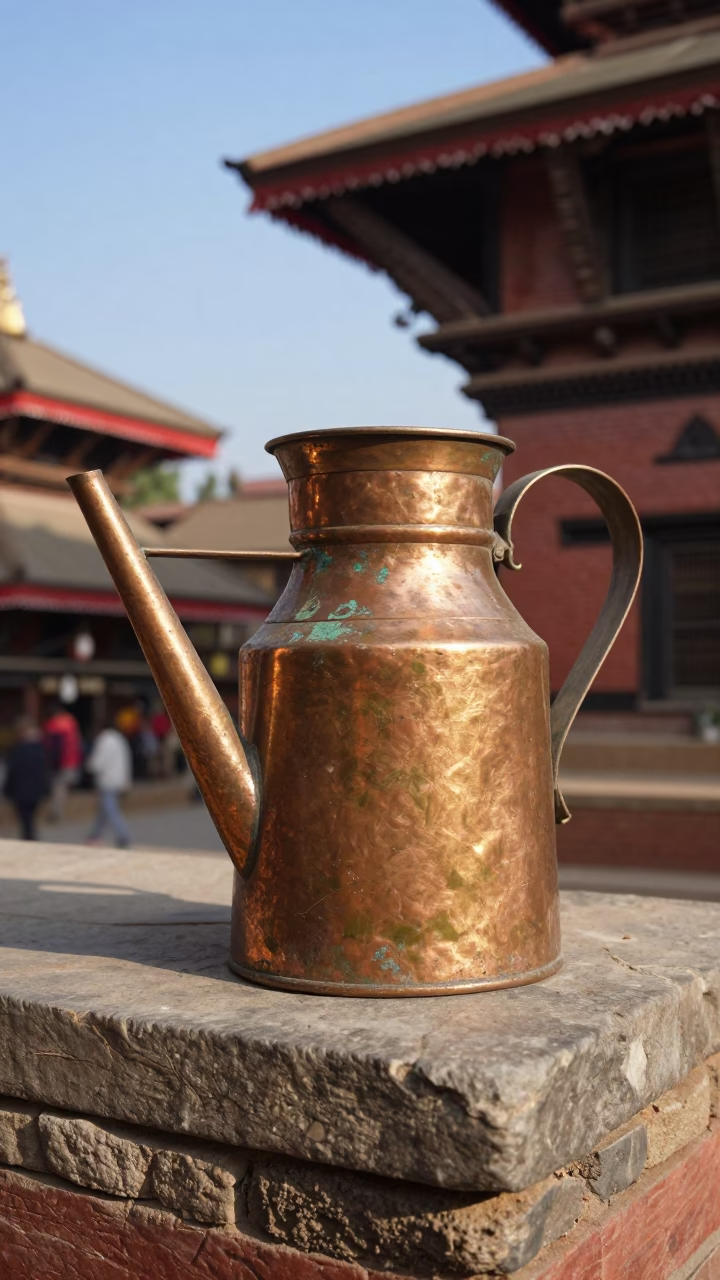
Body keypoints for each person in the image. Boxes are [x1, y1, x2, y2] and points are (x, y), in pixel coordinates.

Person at [86, 723, 132, 849]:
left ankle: (123, 835)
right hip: (119, 779)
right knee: (104, 810)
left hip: (107, 780)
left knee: (111, 809)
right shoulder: (120, 739)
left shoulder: (104, 740)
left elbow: (99, 762)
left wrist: (89, 767)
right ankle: (94, 835)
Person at [4, 717, 51, 840]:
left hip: (21, 790)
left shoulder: (18, 750)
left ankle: (29, 838)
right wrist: (46, 789)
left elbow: (13, 772)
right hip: (35, 789)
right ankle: (30, 837)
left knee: (26, 819)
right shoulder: (40, 749)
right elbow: (44, 772)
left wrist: (7, 790)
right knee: (30, 818)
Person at [43, 700, 83, 822]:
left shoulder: (52, 724)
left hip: (59, 762)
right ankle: (59, 811)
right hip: (72, 760)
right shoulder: (71, 721)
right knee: (64, 787)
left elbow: (48, 745)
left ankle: (56, 813)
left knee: (58, 787)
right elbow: (77, 741)